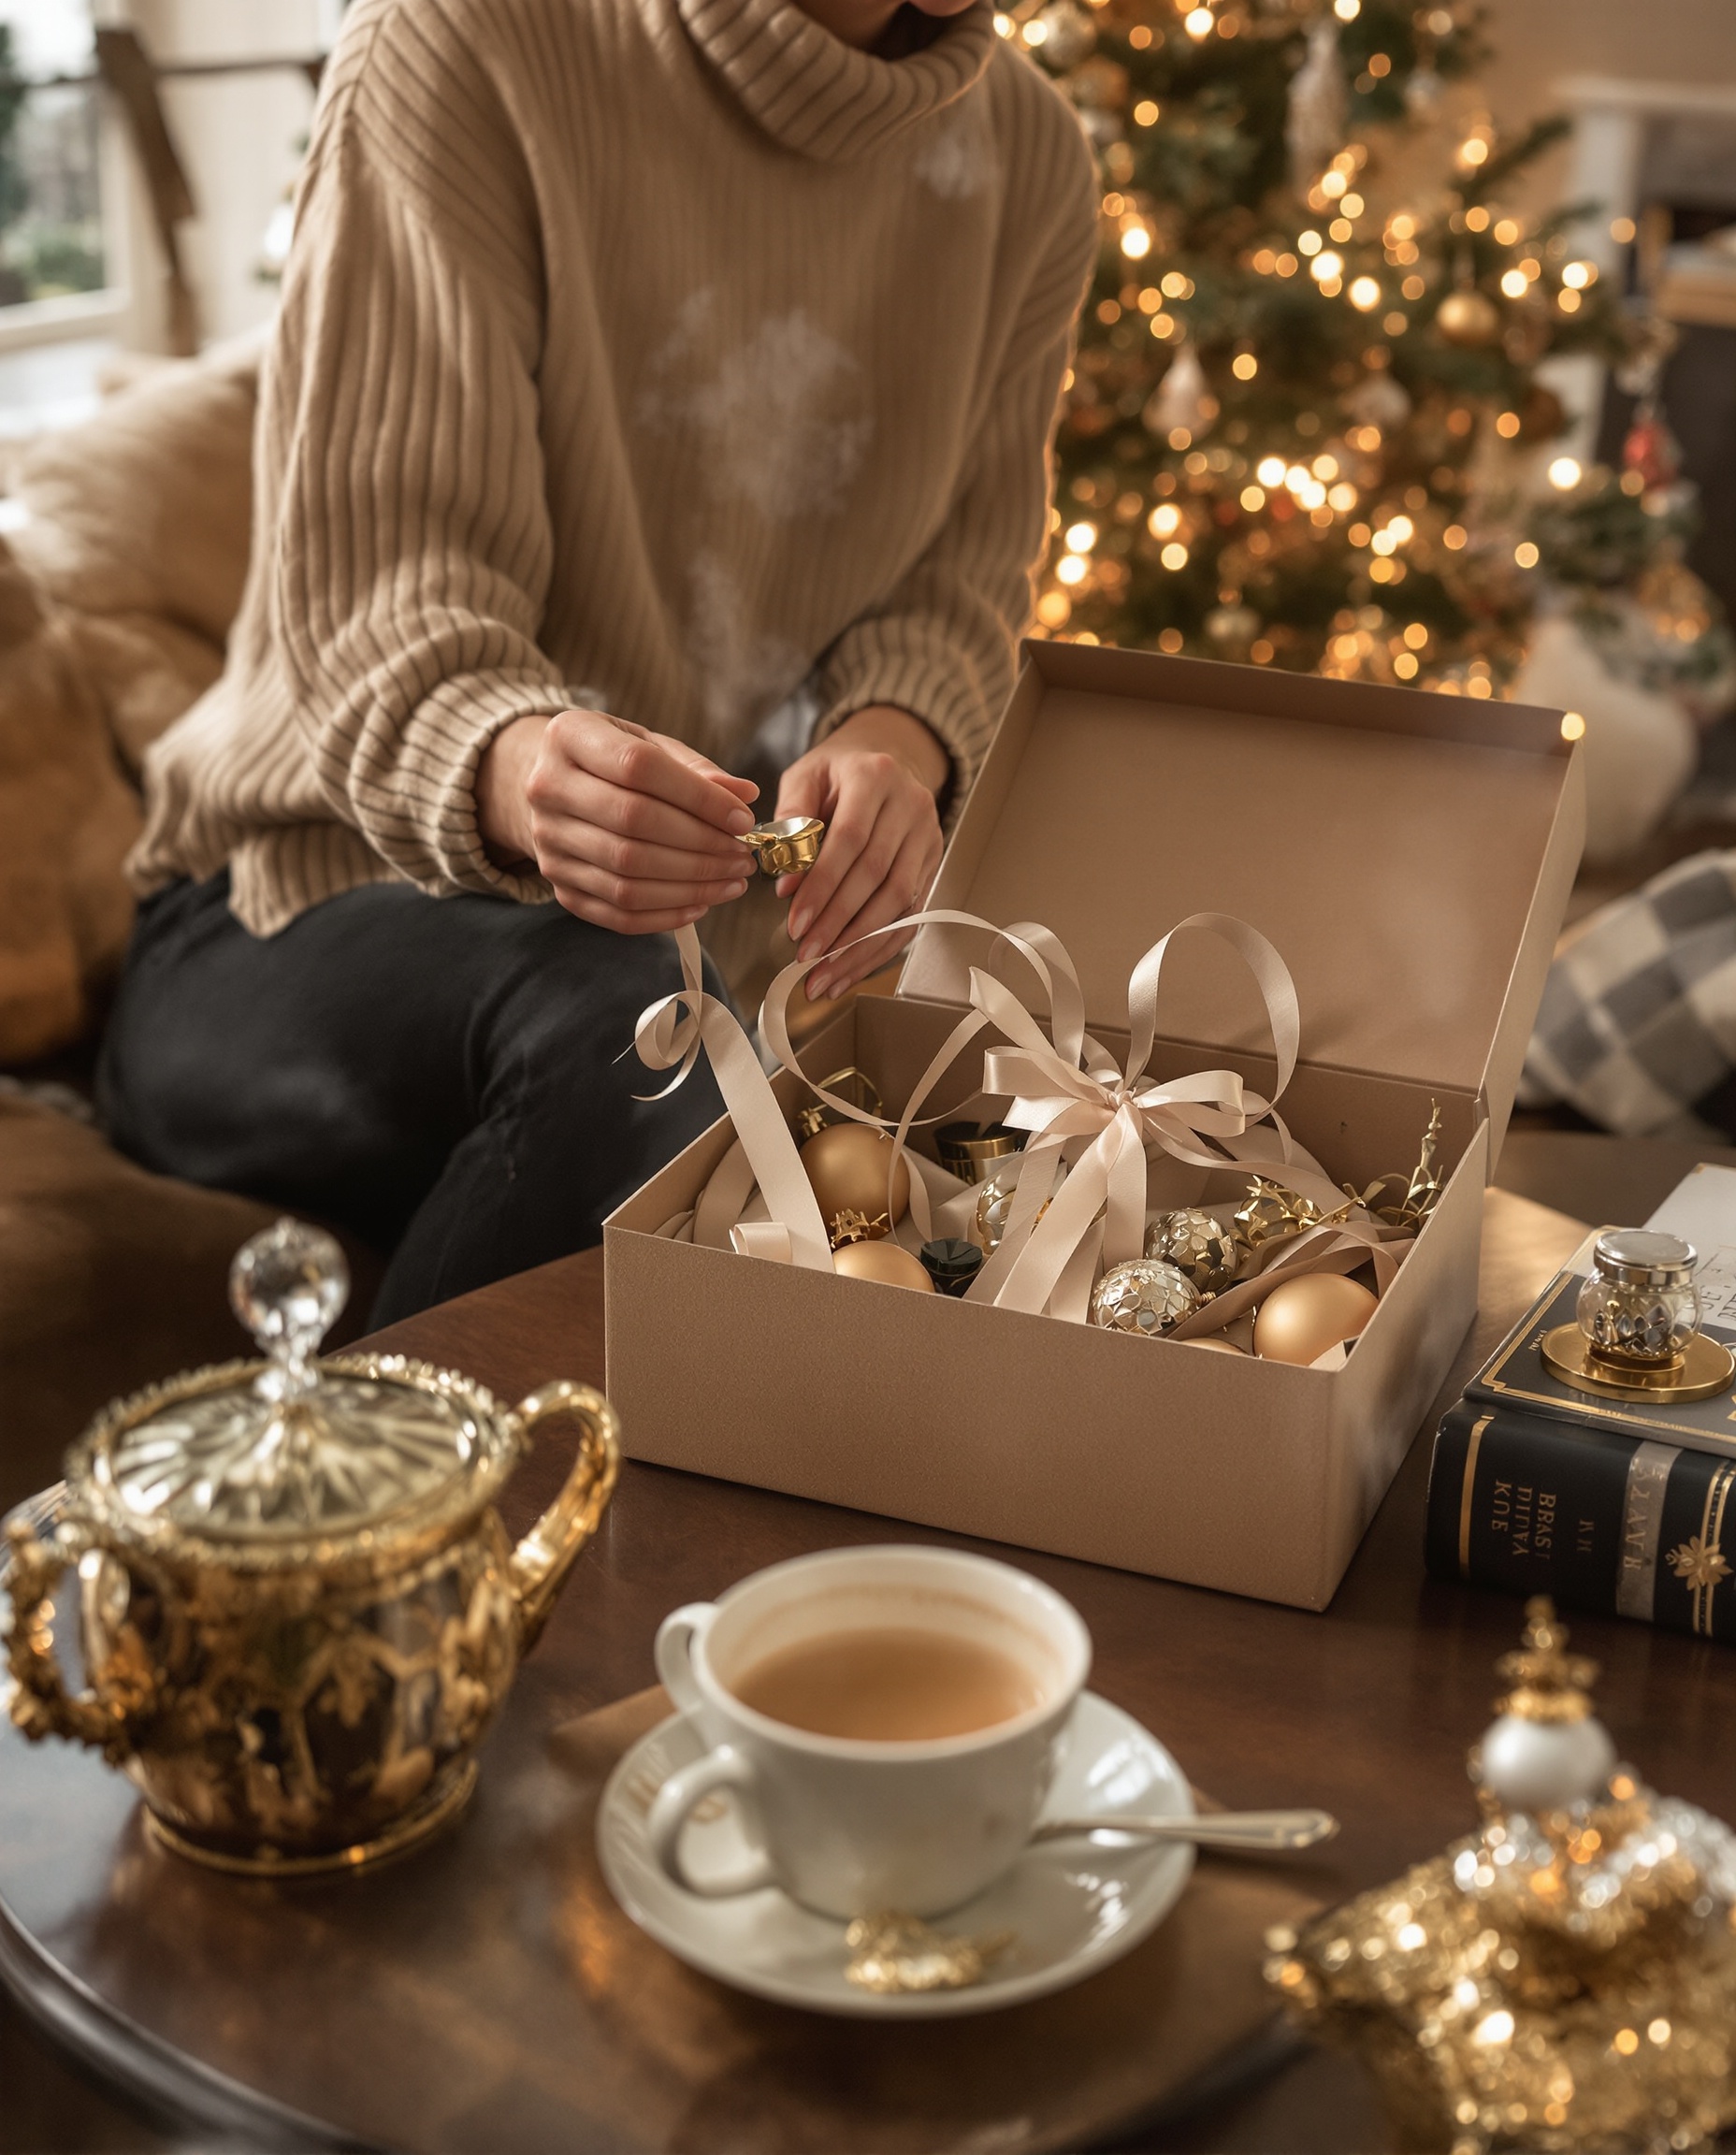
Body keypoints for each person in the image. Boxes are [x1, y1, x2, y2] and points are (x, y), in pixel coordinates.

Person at [99, 0, 1097, 1323]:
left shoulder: (1029, 154)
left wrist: (891, 736)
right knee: (638, 1031)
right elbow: (378, 594)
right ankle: (369, 1523)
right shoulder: (459, 42)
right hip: (286, 910)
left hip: (715, 987)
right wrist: (520, 773)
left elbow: (961, 584)